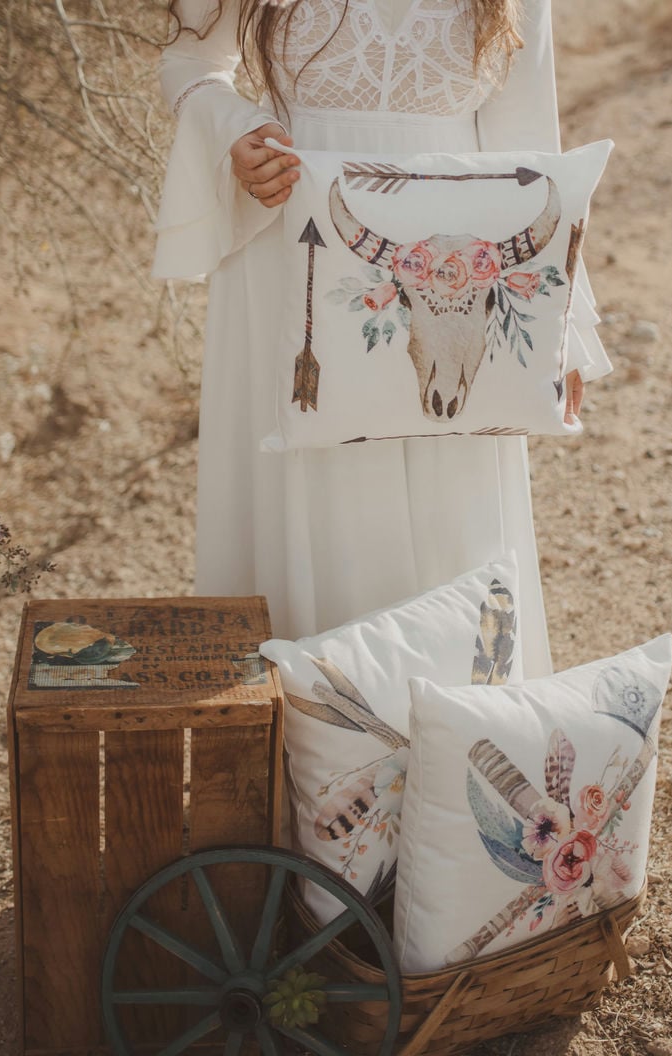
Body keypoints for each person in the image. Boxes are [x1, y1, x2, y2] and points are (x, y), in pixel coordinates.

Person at [154, 0, 611, 677]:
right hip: (294, 257)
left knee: (454, 525)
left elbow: (531, 152)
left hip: (454, 282)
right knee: (311, 522)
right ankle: (296, 750)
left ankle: (454, 754)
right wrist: (237, 130)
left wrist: (565, 323)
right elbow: (191, 63)